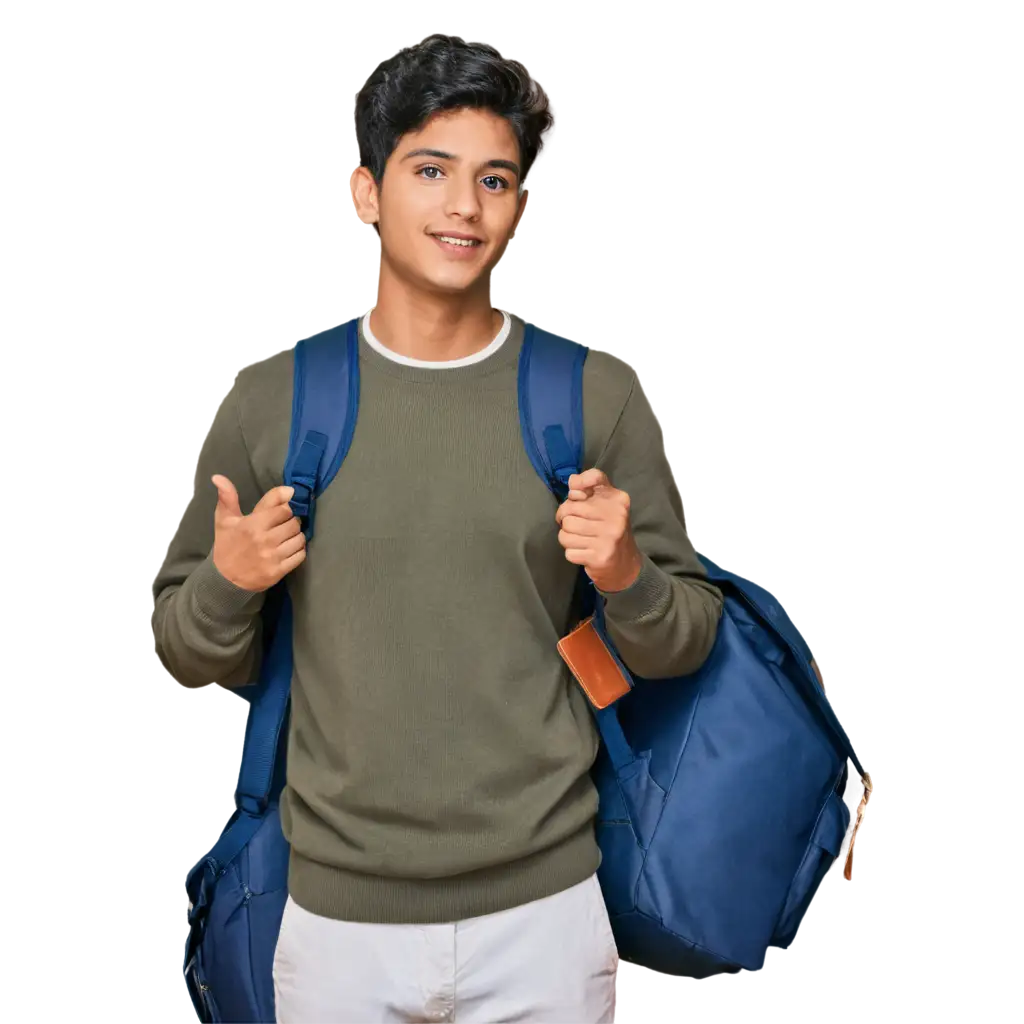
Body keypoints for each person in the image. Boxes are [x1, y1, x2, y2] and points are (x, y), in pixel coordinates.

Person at [150, 32, 723, 1024]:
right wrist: (228, 581)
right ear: (364, 192)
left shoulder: (590, 397)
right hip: (335, 924)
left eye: (495, 179)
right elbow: (186, 652)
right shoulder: (275, 402)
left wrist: (626, 571)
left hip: (544, 917)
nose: (465, 206)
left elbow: (684, 643)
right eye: (431, 171)